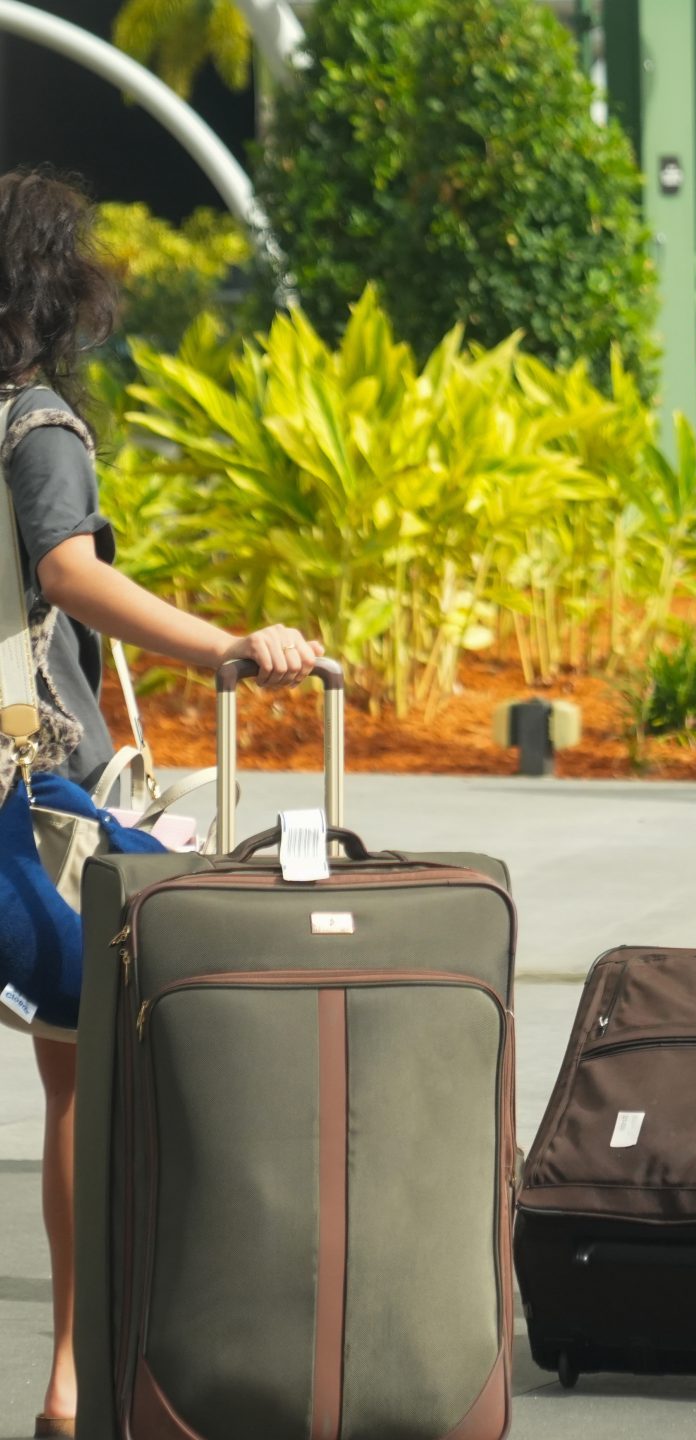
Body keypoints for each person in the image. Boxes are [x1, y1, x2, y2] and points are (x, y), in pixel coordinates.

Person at [0, 168, 324, 1439]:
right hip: (32, 795)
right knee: (88, 1081)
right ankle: (84, 1373)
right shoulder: (36, 427)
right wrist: (224, 645)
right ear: (55, 290)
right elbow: (67, 571)